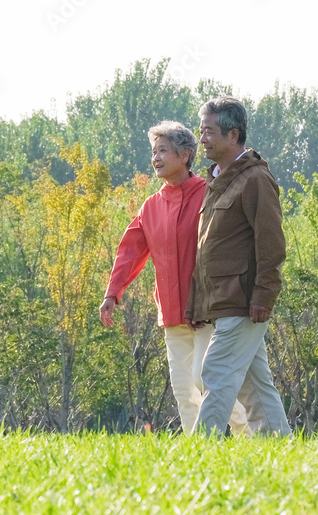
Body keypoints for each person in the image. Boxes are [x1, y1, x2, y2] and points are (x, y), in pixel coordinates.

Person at [100, 121, 248, 435]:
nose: (155, 158)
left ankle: (247, 432)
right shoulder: (151, 207)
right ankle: (199, 452)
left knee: (204, 378)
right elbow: (129, 252)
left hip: (206, 311)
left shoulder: (208, 194)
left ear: (184, 155)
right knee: (184, 390)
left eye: (163, 150)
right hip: (171, 315)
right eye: (153, 152)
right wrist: (113, 293)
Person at [186, 97, 291, 436]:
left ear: (233, 135)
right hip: (223, 301)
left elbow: (271, 244)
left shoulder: (255, 179)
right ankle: (281, 447)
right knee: (254, 387)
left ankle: (201, 449)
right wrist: (197, 302)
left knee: (215, 372)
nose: (202, 138)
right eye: (201, 131)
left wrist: (263, 296)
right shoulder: (218, 180)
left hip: (245, 302)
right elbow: (209, 251)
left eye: (209, 132)